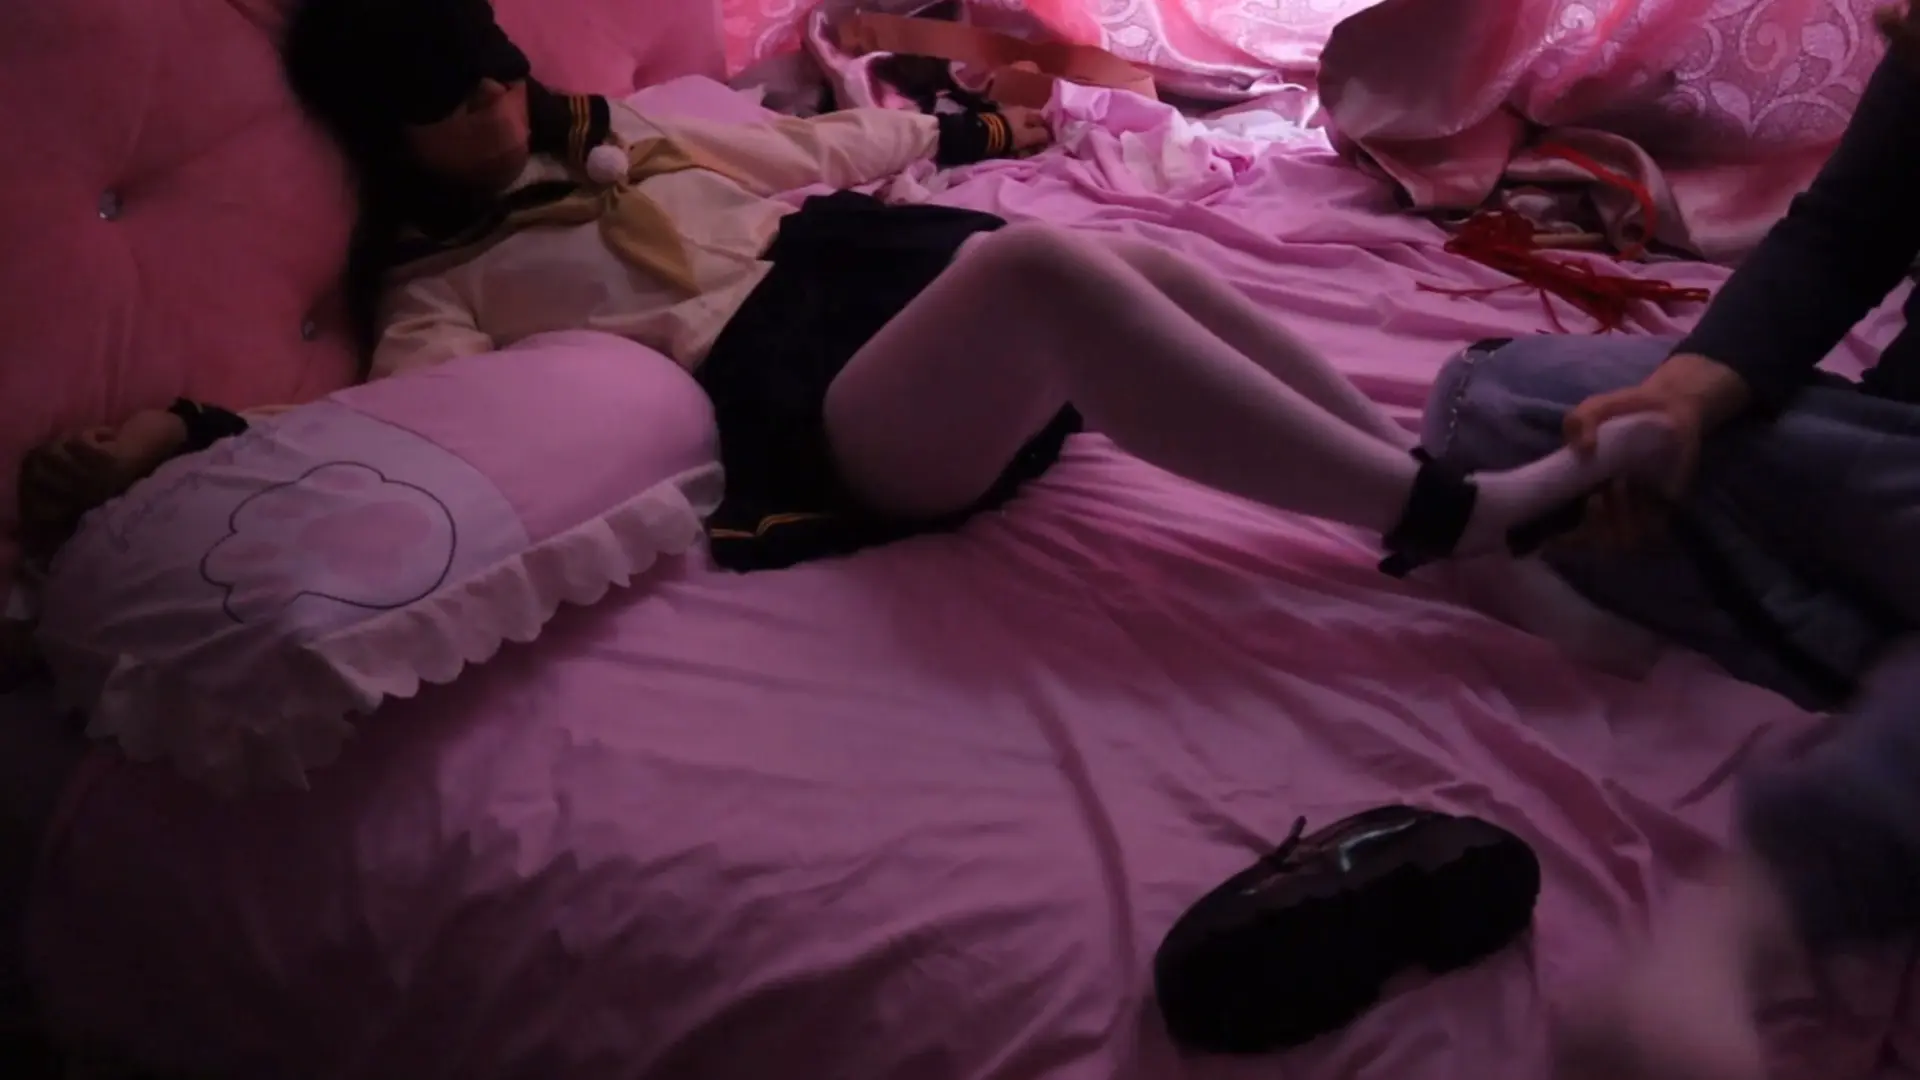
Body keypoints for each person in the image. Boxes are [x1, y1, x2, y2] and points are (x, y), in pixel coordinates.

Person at [13, 0, 1677, 672]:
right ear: (391, 140)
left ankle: (1422, 514)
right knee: (1056, 275)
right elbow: (398, 438)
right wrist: (187, 433)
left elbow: (821, 144)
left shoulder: (642, 130)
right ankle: (1458, 515)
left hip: (862, 276)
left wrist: (977, 132)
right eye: (451, 104)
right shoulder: (445, 288)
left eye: (496, 71)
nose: (496, 104)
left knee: (1117, 260)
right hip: (807, 409)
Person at [1425, 5, 1920, 1078]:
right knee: (1495, 406)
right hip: (1891, 465)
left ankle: (1738, 936)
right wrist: (1686, 398)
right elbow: (1841, 237)